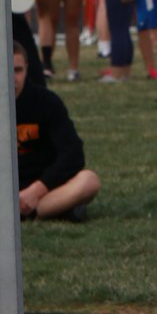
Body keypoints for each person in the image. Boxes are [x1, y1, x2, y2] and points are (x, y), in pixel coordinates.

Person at [14, 43, 101, 221]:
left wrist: (37, 190)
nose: (12, 77)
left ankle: (29, 210)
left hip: (44, 187)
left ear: (27, 69)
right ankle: (57, 210)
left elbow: (73, 153)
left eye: (17, 70)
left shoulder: (46, 101)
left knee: (89, 181)